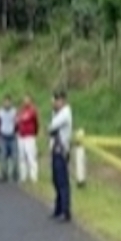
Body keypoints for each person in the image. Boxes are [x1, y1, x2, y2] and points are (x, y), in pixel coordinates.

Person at [48, 90, 73, 222]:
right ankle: (58, 209)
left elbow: (52, 127)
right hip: (55, 150)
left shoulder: (65, 113)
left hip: (61, 150)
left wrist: (54, 114)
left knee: (62, 182)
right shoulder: (57, 113)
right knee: (56, 180)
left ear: (62, 101)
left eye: (56, 101)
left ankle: (65, 210)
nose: (54, 104)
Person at [17, 94, 40, 183]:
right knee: (22, 157)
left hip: (29, 136)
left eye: (27, 100)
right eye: (24, 100)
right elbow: (17, 121)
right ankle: (23, 176)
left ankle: (33, 176)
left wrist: (35, 132)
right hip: (21, 136)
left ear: (30, 101)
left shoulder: (33, 111)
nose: (25, 102)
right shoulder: (20, 111)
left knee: (31, 156)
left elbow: (36, 122)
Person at [0, 94, 18, 182]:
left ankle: (15, 174)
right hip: (3, 136)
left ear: (11, 103)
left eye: (8, 102)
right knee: (3, 156)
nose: (7, 104)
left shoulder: (14, 112)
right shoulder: (0, 112)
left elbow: (17, 123)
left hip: (12, 136)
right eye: (5, 102)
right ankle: (4, 175)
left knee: (15, 156)